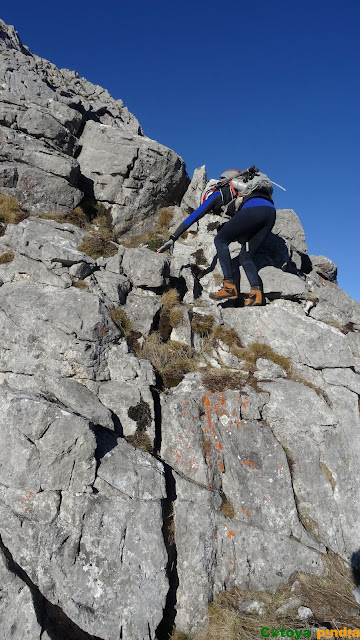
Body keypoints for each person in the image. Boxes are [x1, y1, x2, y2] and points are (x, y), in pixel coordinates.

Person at [157, 168, 276, 306]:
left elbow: (195, 216)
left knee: (220, 239)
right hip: (270, 213)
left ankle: (229, 286)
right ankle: (257, 294)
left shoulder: (216, 195)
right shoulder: (241, 195)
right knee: (245, 257)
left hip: (253, 210)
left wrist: (173, 238)